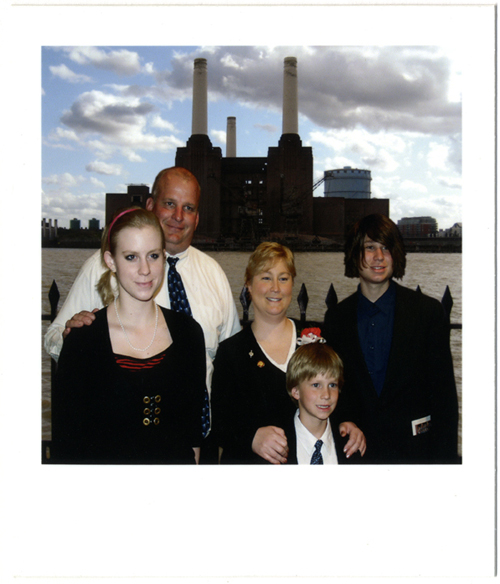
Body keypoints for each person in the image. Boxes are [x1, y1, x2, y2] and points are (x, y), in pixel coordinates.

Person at [44, 167, 241, 456]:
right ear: (150, 205)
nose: (178, 216)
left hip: (194, 441)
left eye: (189, 208)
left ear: (197, 218)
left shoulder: (214, 274)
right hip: (115, 444)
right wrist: (75, 335)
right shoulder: (99, 267)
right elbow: (55, 341)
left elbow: (229, 361)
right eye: (170, 204)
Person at [51, 207, 206, 463]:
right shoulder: (83, 340)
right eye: (131, 257)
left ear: (164, 256)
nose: (145, 269)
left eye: (153, 255)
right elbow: (66, 445)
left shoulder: (189, 333)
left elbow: (192, 435)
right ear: (111, 261)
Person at [210, 241, 366, 464]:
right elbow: (219, 423)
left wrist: (348, 422)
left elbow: (343, 395)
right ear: (249, 286)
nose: (275, 287)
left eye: (283, 278)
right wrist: (251, 437)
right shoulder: (232, 353)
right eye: (266, 277)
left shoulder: (319, 340)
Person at [323, 213, 459, 464]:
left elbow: (444, 399)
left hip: (416, 455)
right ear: (355, 254)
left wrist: (446, 465)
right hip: (355, 455)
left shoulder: (427, 314)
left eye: (386, 248)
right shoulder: (336, 319)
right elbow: (330, 389)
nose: (379, 257)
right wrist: (342, 419)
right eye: (370, 247)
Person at [284, 340, 355, 464]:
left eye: (332, 385)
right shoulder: (276, 444)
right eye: (316, 385)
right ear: (296, 391)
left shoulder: (350, 443)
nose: (326, 395)